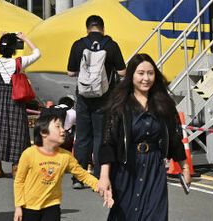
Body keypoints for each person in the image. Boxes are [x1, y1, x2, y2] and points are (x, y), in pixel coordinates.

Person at [96, 54, 188, 221]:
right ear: (131, 75)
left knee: (155, 215)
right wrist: (104, 176)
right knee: (125, 215)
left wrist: (185, 167)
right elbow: (108, 143)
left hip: (155, 170)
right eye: (141, 73)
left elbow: (174, 138)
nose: (146, 78)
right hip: (126, 168)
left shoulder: (164, 103)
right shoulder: (119, 105)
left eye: (150, 73)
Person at [14, 112, 112, 221]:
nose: (63, 130)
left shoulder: (65, 156)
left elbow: (83, 175)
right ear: (43, 132)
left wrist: (99, 186)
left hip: (52, 206)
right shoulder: (29, 154)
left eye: (62, 126)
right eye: (57, 126)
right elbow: (19, 181)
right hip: (29, 207)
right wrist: (19, 206)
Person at [66, 15, 126, 183]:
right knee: (101, 136)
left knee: (83, 136)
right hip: (104, 96)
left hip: (84, 96)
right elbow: (122, 72)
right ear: (103, 28)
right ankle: (100, 175)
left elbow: (71, 72)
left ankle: (79, 177)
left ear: (87, 29)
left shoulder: (78, 45)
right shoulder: (111, 45)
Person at [0, 31, 41, 179]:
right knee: (17, 129)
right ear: (14, 49)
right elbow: (37, 53)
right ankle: (16, 167)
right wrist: (25, 38)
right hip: (15, 95)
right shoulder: (19, 62)